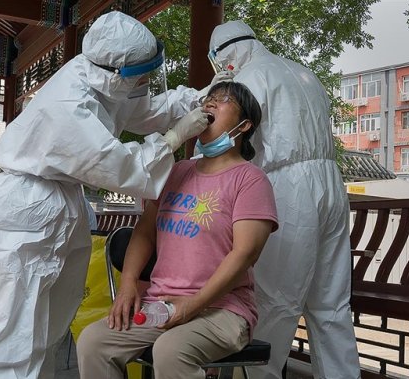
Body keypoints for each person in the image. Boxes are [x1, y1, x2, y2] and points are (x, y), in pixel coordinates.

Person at [0, 11, 210, 379]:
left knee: (45, 331)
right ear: (114, 72)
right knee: (7, 338)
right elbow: (121, 167)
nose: (143, 81)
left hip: (59, 204)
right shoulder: (69, 107)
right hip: (26, 209)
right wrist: (173, 139)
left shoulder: (99, 78)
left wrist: (197, 99)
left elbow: (140, 110)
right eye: (139, 73)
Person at [76, 81, 278, 379]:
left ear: (244, 125)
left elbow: (245, 254)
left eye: (223, 100)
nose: (210, 103)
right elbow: (144, 232)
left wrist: (192, 306)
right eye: (208, 97)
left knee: (171, 350)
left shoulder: (251, 180)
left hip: (223, 310)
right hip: (161, 304)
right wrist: (129, 282)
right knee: (94, 341)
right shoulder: (177, 171)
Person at [207, 21, 361, 378]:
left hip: (284, 187)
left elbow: (220, 141)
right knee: (331, 304)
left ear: (224, 57)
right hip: (331, 186)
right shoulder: (303, 72)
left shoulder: (244, 80)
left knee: (275, 300)